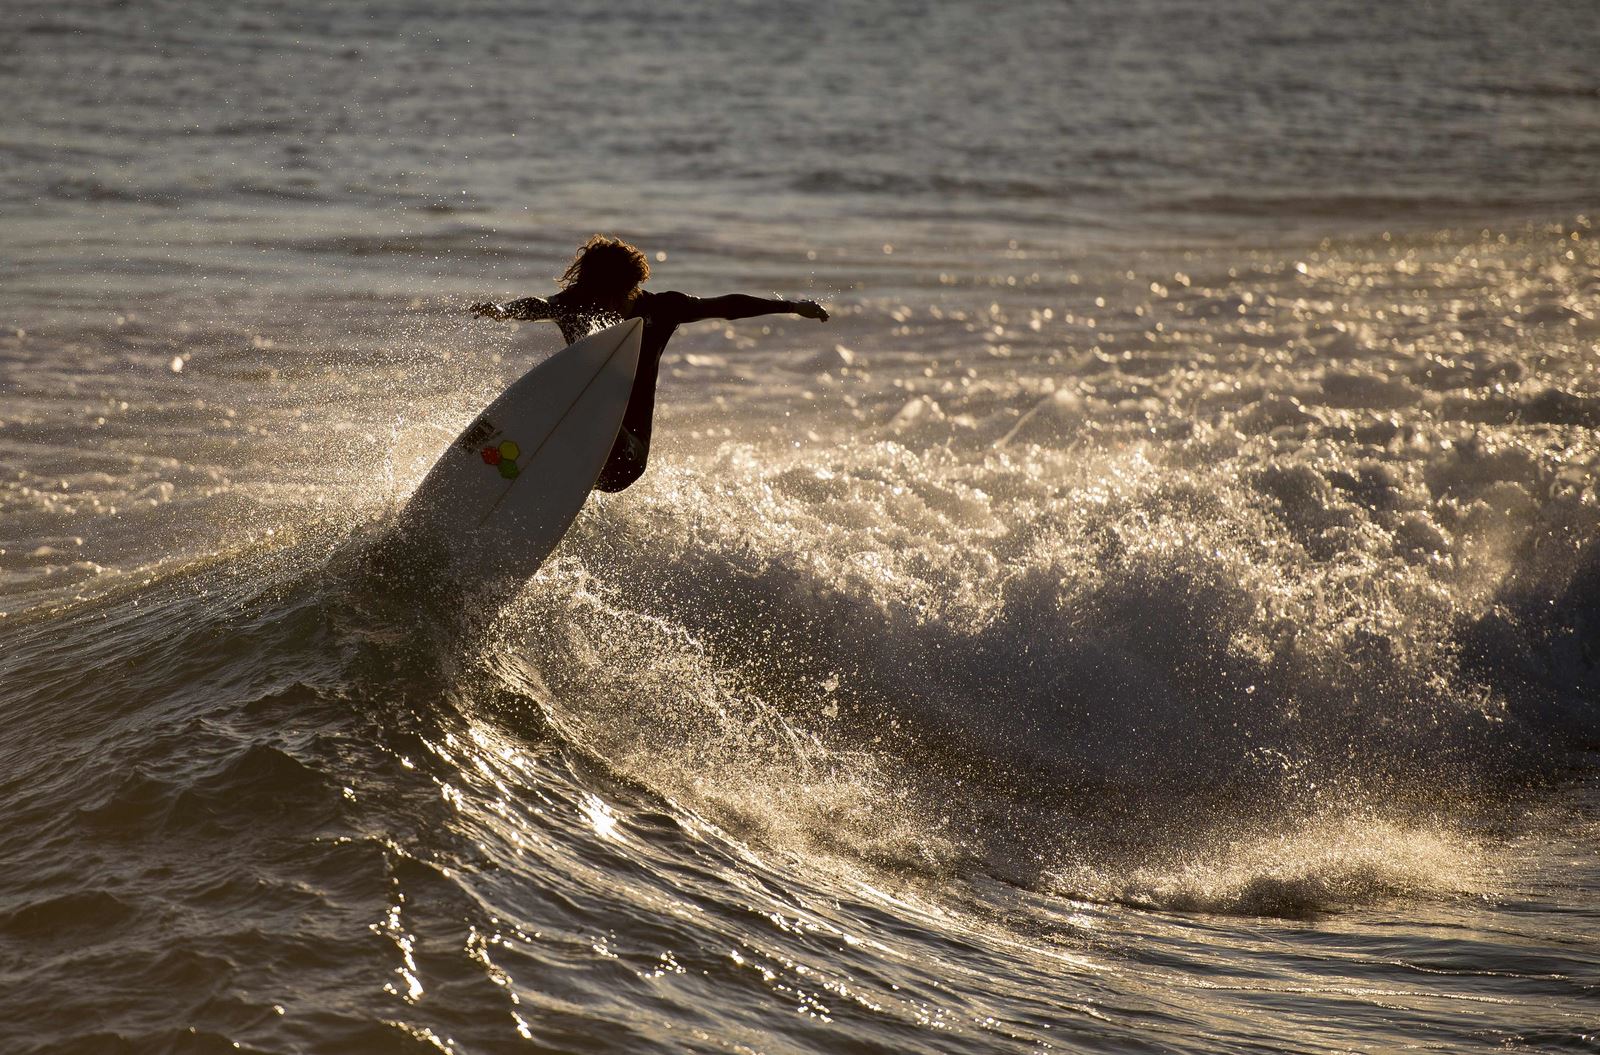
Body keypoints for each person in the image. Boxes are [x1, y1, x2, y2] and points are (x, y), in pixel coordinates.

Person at [470, 235, 829, 492]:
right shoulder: (576, 303)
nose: (602, 306)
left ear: (630, 288)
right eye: (595, 295)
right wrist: (503, 311)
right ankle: (503, 464)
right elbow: (540, 305)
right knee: (549, 398)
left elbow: (726, 306)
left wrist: (792, 306)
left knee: (578, 407)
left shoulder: (660, 308)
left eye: (611, 296)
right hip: (574, 444)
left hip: (626, 456)